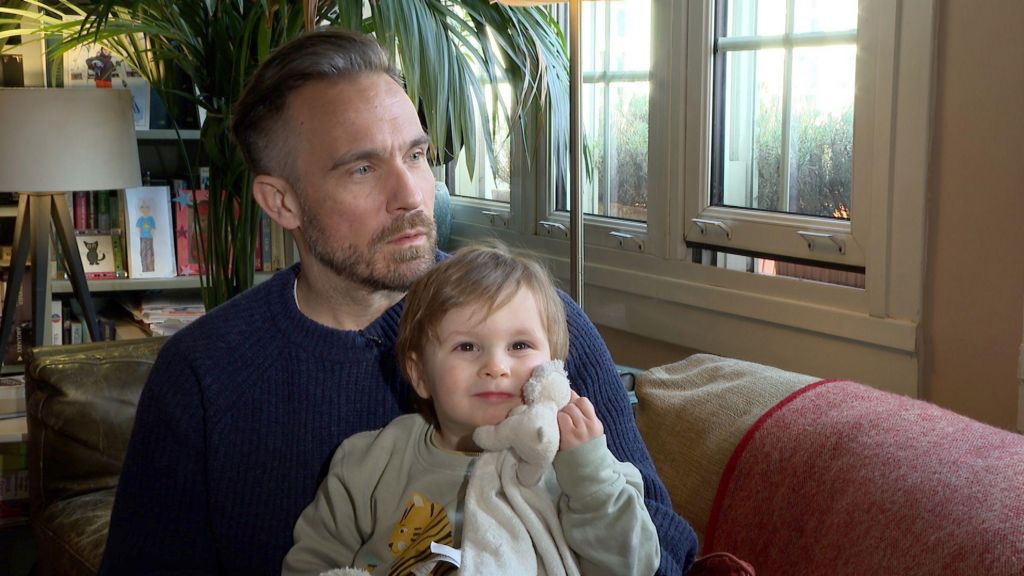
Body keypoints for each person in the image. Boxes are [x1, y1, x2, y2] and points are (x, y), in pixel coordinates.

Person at [99, 28, 697, 575]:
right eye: (362, 168)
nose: (411, 195)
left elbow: (664, 554)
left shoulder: (539, 328)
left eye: (416, 155)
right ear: (281, 202)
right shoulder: (204, 373)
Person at [282, 244, 661, 575]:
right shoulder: (369, 463)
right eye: (467, 347)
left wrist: (590, 476)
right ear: (419, 375)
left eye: (519, 346)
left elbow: (633, 566)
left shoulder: (583, 468)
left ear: (554, 367)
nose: (496, 367)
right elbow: (311, 565)